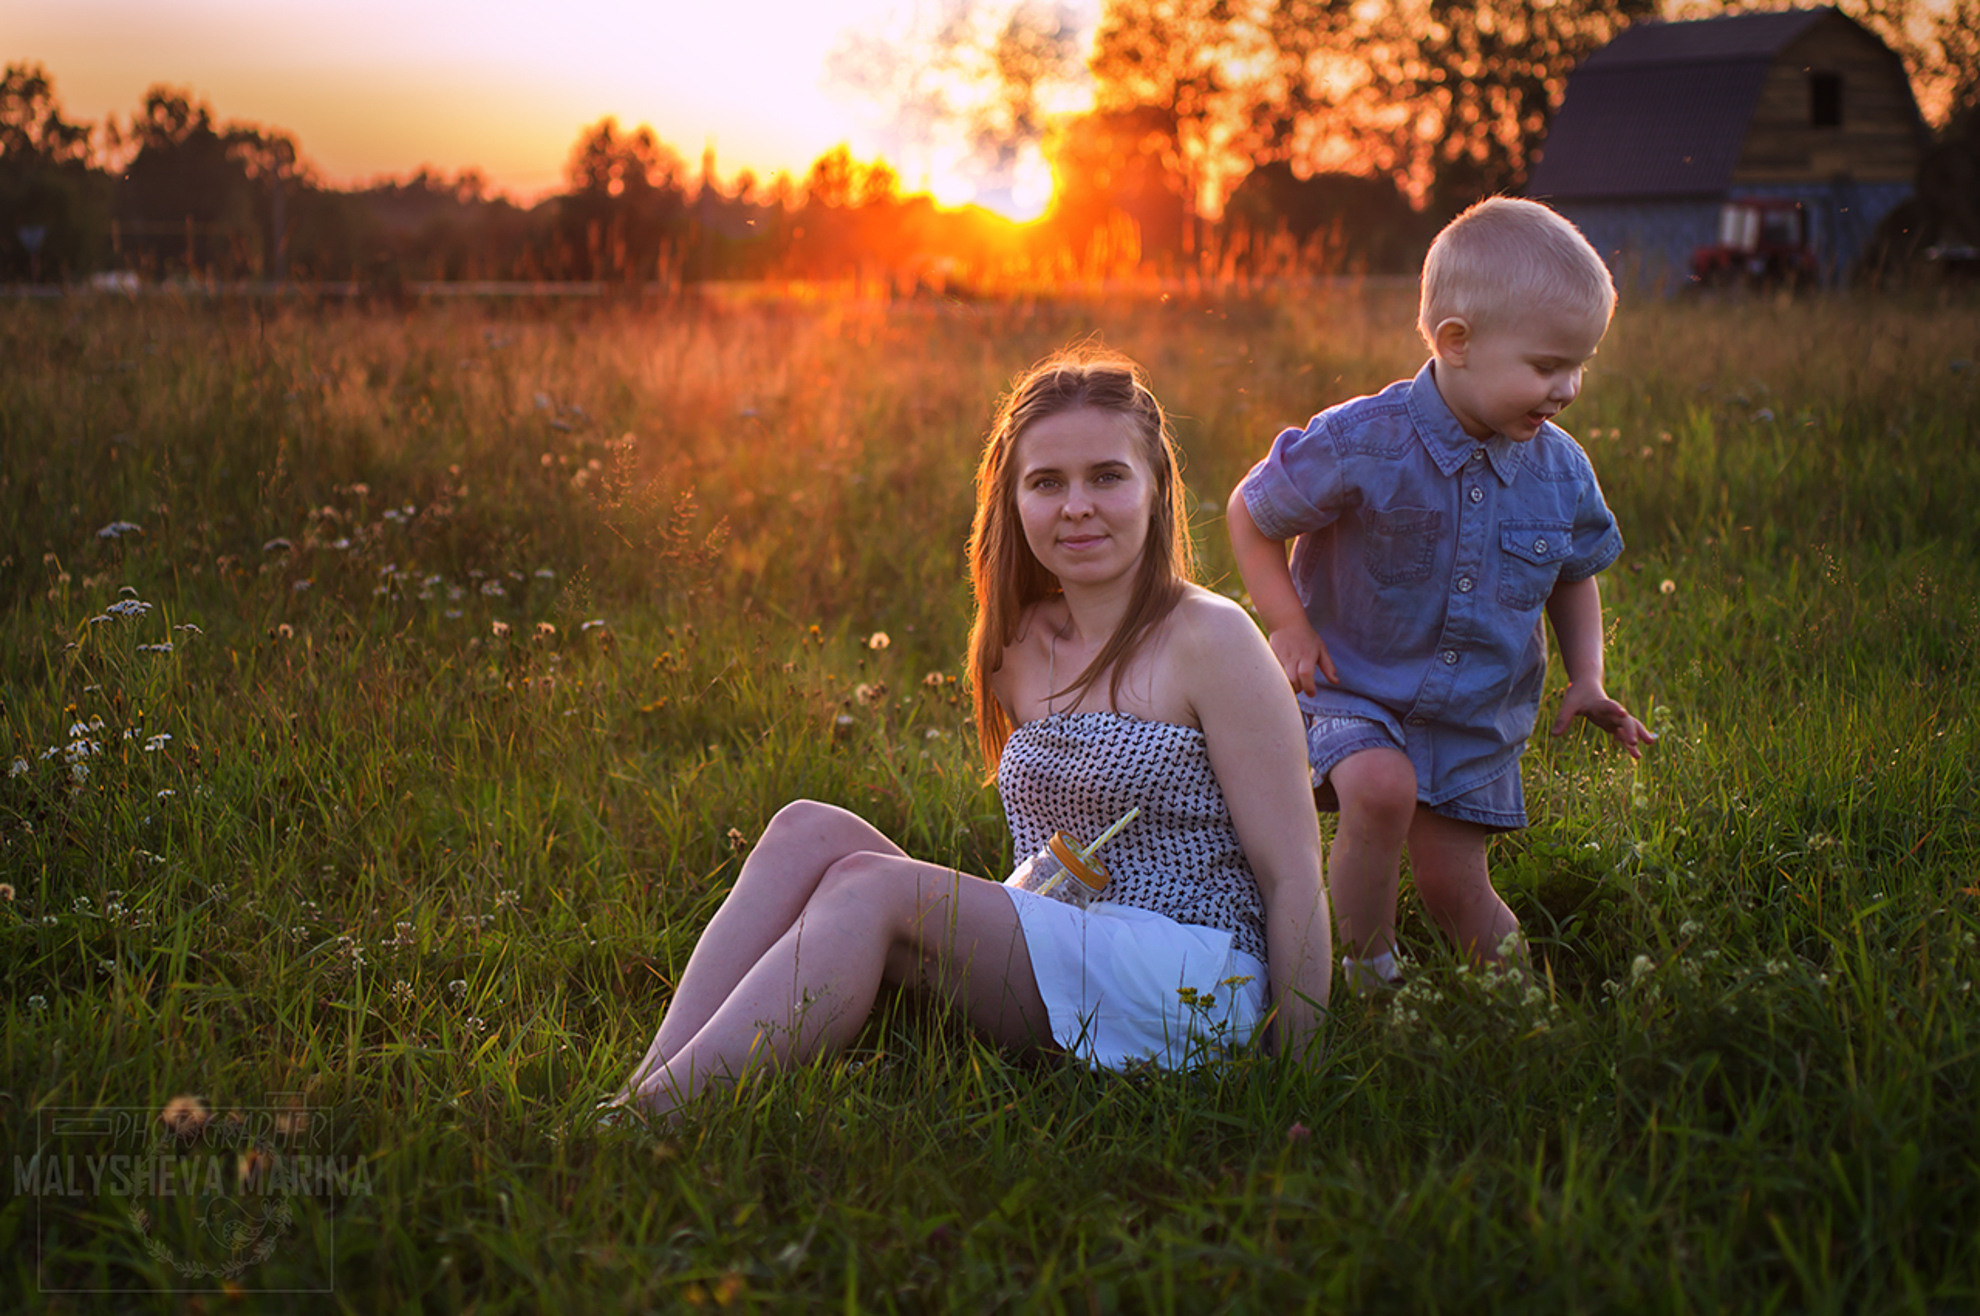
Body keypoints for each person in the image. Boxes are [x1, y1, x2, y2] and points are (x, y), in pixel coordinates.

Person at [610, 351, 1331, 1118]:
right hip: (1065, 943)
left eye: (1107, 476)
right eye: (1047, 483)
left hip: (1195, 979)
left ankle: (651, 1125)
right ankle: (640, 1092)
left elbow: (1293, 875)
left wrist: (1296, 1086)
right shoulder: (1015, 648)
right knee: (804, 829)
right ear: (1012, 501)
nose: (1077, 505)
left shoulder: (1212, 639)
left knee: (869, 887)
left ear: (1156, 486)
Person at [1226, 196, 1655, 994]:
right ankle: (1365, 975)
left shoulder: (1560, 470)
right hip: (1355, 690)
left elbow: (1573, 571)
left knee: (1457, 888)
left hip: (1470, 718)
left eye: (1580, 365)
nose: (1567, 388)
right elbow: (1252, 513)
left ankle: (1521, 1017)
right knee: (1381, 792)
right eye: (1546, 365)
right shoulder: (1364, 441)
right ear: (1456, 342)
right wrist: (1285, 624)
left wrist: (1587, 677)